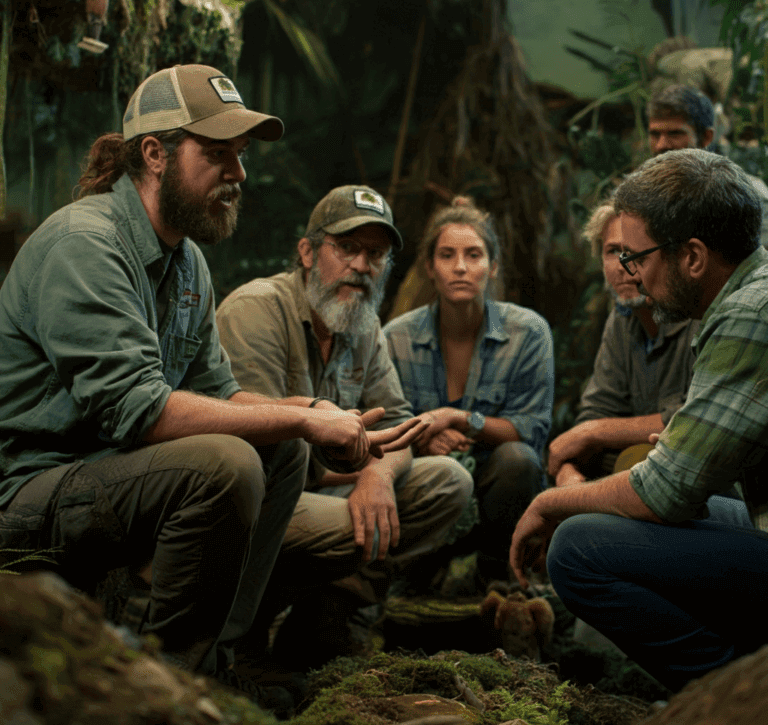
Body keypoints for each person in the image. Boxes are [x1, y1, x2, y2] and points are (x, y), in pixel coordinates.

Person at [0, 65, 426, 694]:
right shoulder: (85, 244)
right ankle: (164, 678)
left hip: (108, 473)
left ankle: (219, 664)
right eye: (218, 154)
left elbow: (221, 393)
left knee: (277, 448)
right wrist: (305, 415)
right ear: (154, 154)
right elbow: (137, 411)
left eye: (242, 155)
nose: (239, 174)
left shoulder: (187, 260)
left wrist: (308, 414)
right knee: (226, 462)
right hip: (31, 486)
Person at [511, 148, 768, 694]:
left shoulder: (749, 314)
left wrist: (547, 500)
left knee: (578, 548)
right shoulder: (747, 294)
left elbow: (664, 492)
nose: (631, 274)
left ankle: (729, 694)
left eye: (637, 257)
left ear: (693, 256)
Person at [215, 185, 472, 668]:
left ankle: (326, 618)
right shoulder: (257, 310)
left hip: (329, 489)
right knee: (355, 526)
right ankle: (241, 634)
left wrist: (376, 475)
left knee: (448, 483)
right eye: (347, 248)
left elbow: (399, 427)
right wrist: (358, 475)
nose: (361, 265)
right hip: (257, 502)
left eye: (374, 254)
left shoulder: (364, 324)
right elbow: (253, 445)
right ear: (308, 252)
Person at [383, 198, 554, 586]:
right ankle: (414, 574)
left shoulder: (527, 333)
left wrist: (461, 419)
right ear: (430, 268)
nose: (460, 267)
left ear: (492, 267)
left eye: (473, 255)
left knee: (518, 460)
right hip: (428, 484)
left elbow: (531, 430)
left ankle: (501, 576)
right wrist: (425, 440)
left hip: (499, 490)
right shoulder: (395, 338)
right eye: (447, 255)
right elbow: (385, 424)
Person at [547, 202, 697, 487]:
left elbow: (697, 419)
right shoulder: (622, 318)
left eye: (633, 251)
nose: (622, 265)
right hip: (637, 471)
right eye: (613, 251)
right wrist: (569, 471)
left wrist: (594, 432)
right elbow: (597, 409)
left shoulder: (697, 314)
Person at [647, 84, 768, 244]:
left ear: (706, 137)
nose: (661, 145)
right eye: (655, 134)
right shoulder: (640, 196)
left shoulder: (748, 195)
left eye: (675, 133)